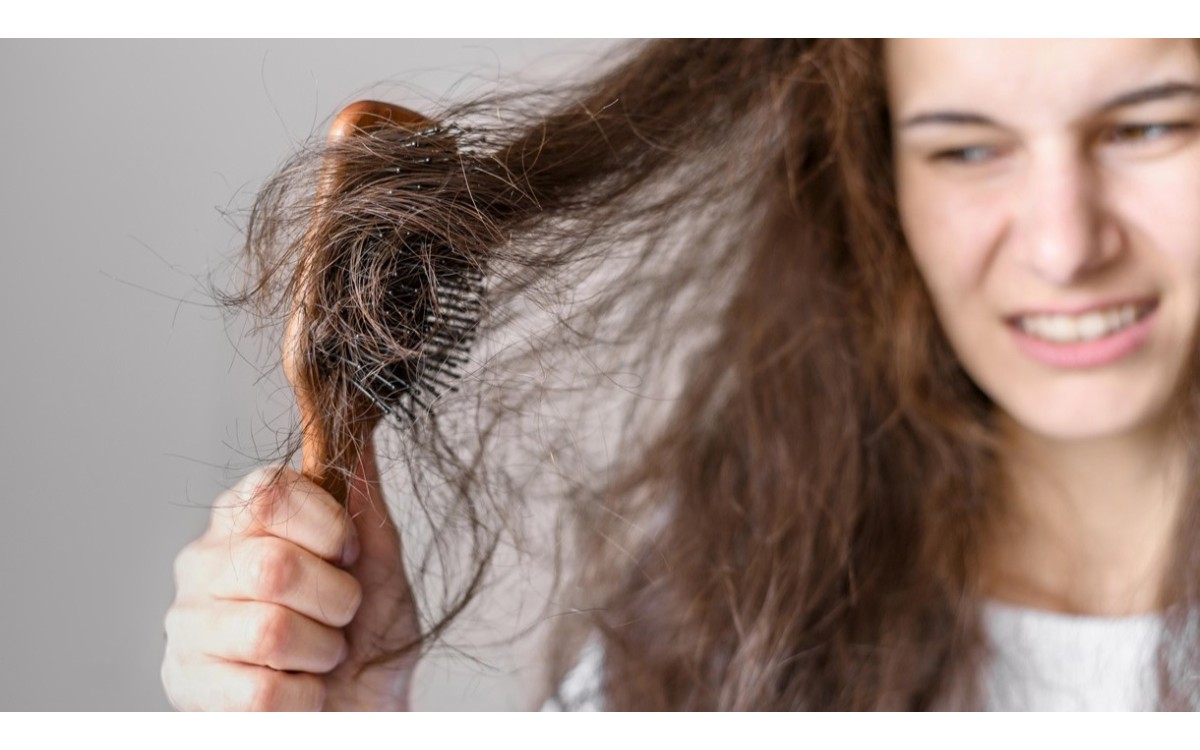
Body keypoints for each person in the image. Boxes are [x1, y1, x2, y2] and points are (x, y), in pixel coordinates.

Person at [161, 39, 1200, 711]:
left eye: (1152, 124)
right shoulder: (723, 626)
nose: (1066, 246)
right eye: (965, 150)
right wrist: (355, 724)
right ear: (881, 185)